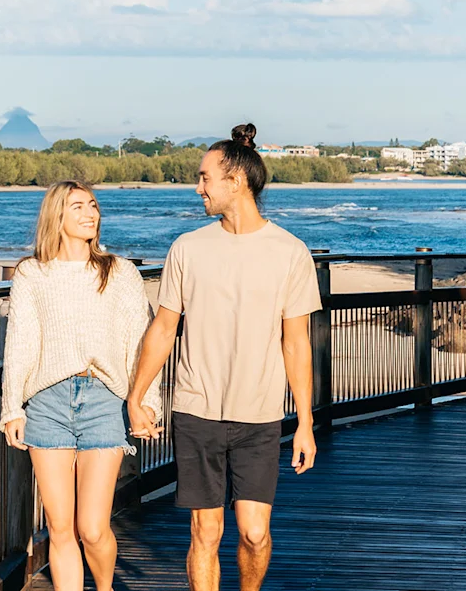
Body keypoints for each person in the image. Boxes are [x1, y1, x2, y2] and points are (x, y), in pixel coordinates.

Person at [127, 123, 321, 591]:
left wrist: (306, 423)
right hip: (197, 411)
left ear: (236, 181)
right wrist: (136, 397)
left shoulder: (291, 253)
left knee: (255, 535)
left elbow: (296, 344)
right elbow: (164, 328)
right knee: (205, 532)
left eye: (204, 178)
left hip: (259, 415)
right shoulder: (188, 248)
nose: (198, 188)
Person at [0, 180, 162, 591]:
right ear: (57, 216)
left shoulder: (119, 271)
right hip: (47, 403)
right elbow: (20, 344)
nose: (91, 214)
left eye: (93, 206)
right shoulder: (32, 273)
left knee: (91, 527)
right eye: (78, 207)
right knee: (59, 527)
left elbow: (141, 344)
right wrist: (12, 408)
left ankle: (104, 588)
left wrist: (147, 404)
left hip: (105, 400)